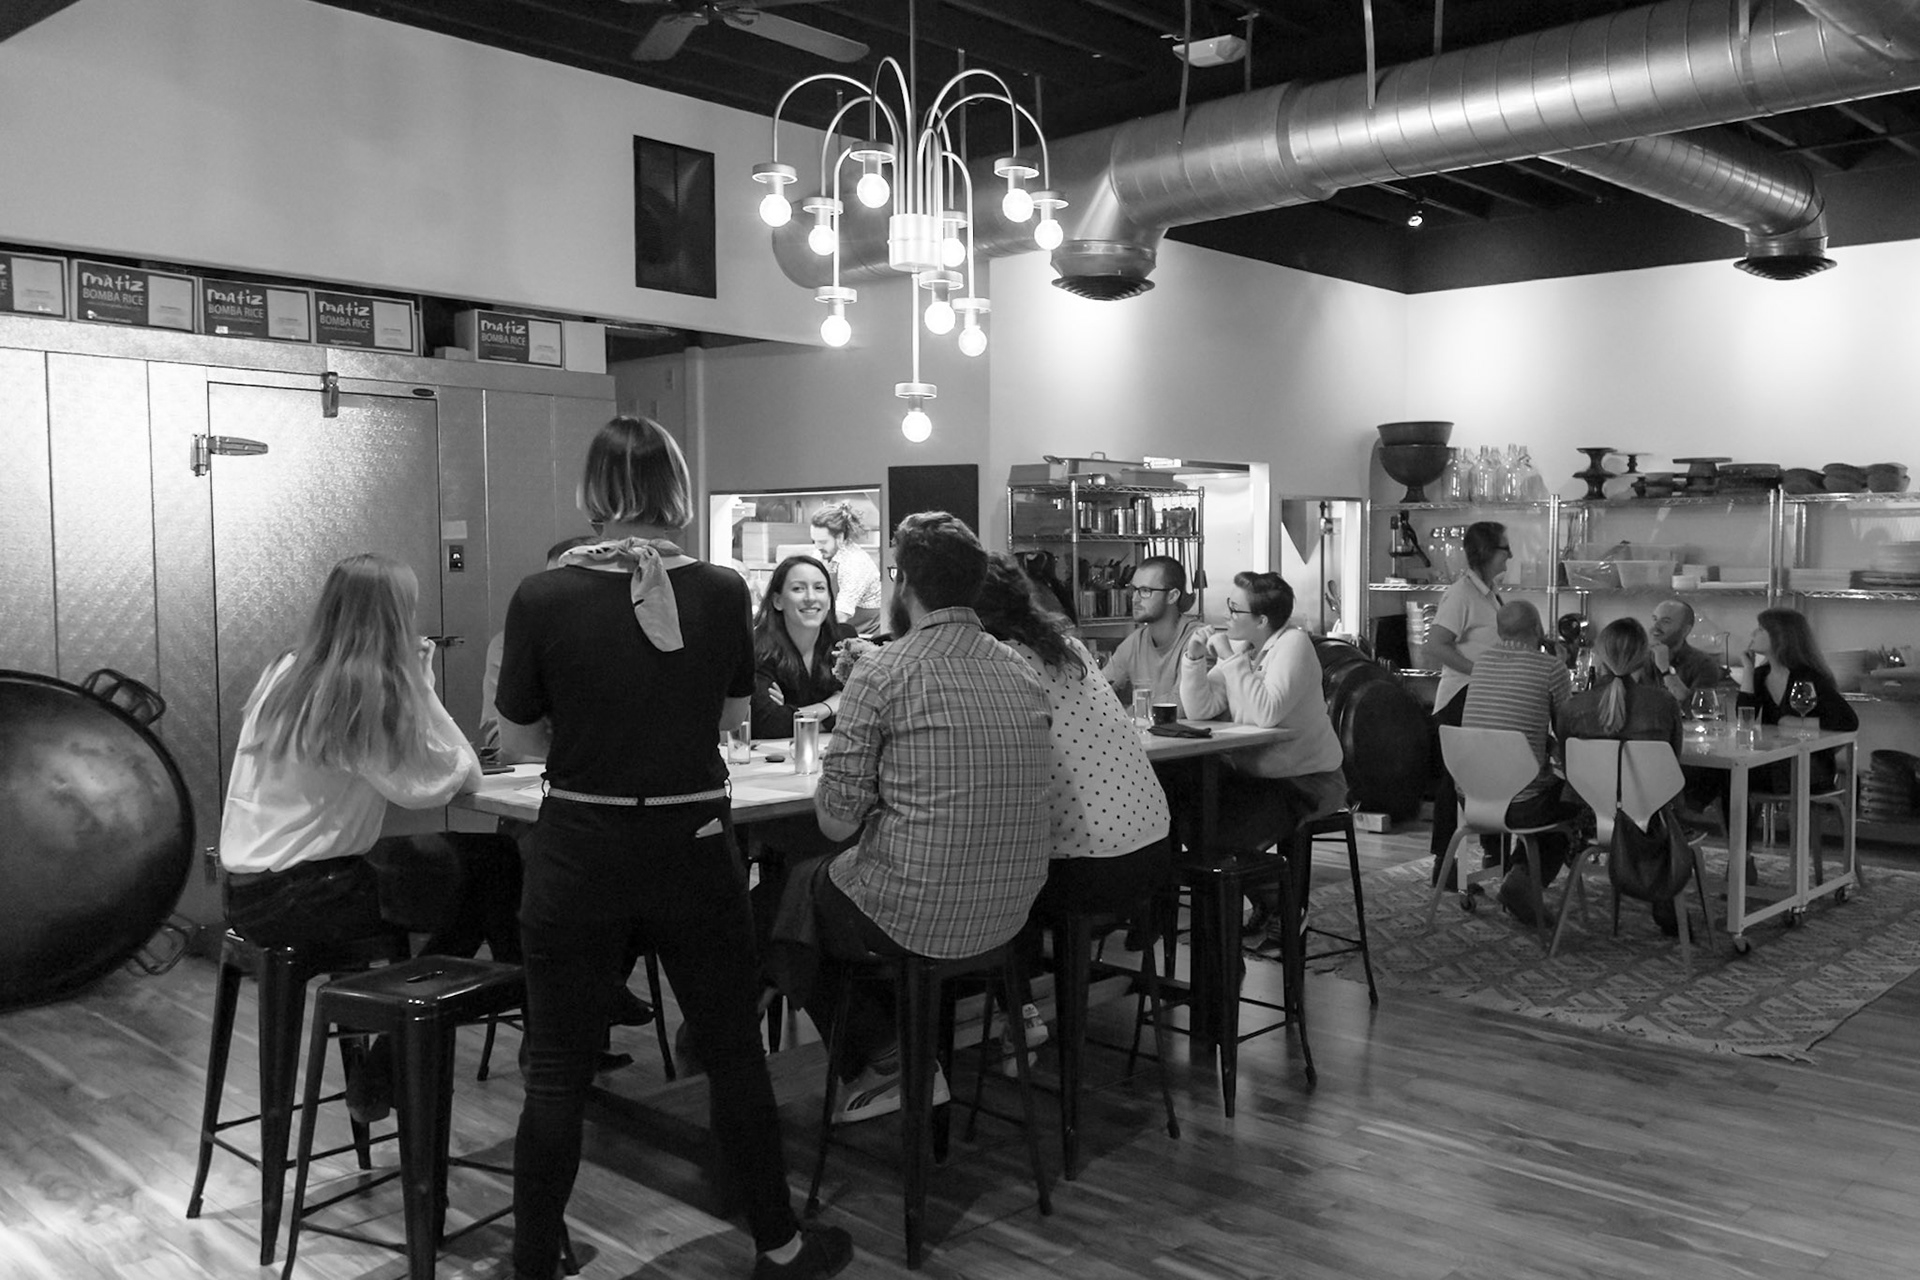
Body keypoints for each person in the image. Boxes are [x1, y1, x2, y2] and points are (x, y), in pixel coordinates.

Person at [495, 416, 850, 1280]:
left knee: (556, 1069)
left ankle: (536, 1257)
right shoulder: (724, 591)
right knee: (733, 1053)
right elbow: (734, 721)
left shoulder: (543, 596)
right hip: (691, 840)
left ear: (593, 495)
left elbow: (517, 742)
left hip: (581, 841)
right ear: (676, 492)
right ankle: (779, 1243)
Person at [218, 553, 522, 1119]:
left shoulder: (286, 670)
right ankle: (433, 1041)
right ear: (393, 618)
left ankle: (396, 1057)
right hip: (308, 894)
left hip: (250, 889)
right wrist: (423, 688)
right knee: (494, 864)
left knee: (477, 870)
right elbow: (457, 777)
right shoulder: (362, 690)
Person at [779, 512, 1052, 1126]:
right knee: (832, 898)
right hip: (1010, 910)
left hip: (922, 909)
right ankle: (903, 1049)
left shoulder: (884, 668)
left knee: (794, 891)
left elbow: (835, 824)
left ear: (903, 583)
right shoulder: (1020, 668)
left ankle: (886, 1060)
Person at [974, 554, 1172, 994]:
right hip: (1153, 854)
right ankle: (1015, 1011)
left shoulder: (998, 664)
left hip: (1090, 868)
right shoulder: (1069, 647)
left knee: (984, 872)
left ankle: (1015, 1011)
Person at [1173, 571, 1345, 940]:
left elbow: (1267, 713)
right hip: (1255, 774)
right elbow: (1201, 710)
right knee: (1184, 800)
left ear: (1262, 621)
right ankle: (1257, 906)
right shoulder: (1244, 649)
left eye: (1235, 608)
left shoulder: (1293, 645)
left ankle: (1279, 905)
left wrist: (1228, 659)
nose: (1227, 614)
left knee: (1221, 833)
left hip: (1306, 778)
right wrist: (1193, 658)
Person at [1558, 617, 1689, 935]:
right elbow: (1672, 759)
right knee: (1666, 804)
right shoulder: (1663, 704)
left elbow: (1567, 762)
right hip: (1653, 821)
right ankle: (1665, 894)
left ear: (1600, 657)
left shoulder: (1573, 708)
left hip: (1592, 819)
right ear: (1644, 657)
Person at [1458, 600, 1577, 926]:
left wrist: (1541, 740)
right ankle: (1523, 879)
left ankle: (1513, 870)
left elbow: (1504, 726)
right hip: (1521, 805)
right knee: (1574, 801)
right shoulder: (1551, 668)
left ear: (1499, 631)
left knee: (1536, 785)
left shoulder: (1481, 662)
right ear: (1538, 630)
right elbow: (1569, 730)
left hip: (1471, 797)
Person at [1425, 522, 1511, 883]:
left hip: (1481, 696)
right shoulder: (1462, 594)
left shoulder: (1489, 593)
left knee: (1483, 775)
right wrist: (1480, 673)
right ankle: (1445, 865)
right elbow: (1437, 645)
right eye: (1505, 547)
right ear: (1488, 552)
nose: (1511, 553)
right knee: (1455, 782)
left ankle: (1492, 853)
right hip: (1462, 697)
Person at [479, 534, 595, 762]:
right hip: (544, 778)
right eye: (551, 584)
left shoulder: (618, 640)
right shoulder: (509, 643)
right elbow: (500, 737)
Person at [1734, 607, 1859, 795]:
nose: (1753, 633)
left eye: (1760, 629)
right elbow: (1745, 719)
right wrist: (1748, 670)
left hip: (1808, 765)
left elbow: (1848, 721)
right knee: (1729, 776)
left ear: (1779, 637)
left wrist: (1798, 723)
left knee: (1734, 779)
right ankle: (1737, 825)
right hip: (1773, 761)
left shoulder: (1807, 677)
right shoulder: (1761, 675)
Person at [750, 554, 857, 738]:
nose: (810, 597)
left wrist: (791, 714)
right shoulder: (758, 647)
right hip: (770, 761)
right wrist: (830, 706)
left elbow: (860, 715)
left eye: (819, 588)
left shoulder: (845, 642)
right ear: (778, 601)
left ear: (830, 599)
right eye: (798, 589)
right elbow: (765, 723)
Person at [1102, 555, 1204, 712]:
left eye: (1145, 591)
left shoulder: (1197, 639)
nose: (1135, 599)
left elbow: (1183, 703)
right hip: (1151, 735)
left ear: (1172, 596)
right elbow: (1100, 689)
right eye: (1133, 590)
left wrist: (1128, 713)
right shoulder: (1135, 641)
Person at [809, 500, 883, 634]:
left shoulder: (855, 563)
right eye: (814, 541)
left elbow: (841, 615)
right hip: (840, 630)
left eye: (823, 542)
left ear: (840, 537)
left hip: (866, 635)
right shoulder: (820, 554)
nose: (817, 546)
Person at [1646, 599, 1723, 703]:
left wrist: (1666, 670)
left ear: (1685, 630)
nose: (1655, 626)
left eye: (1665, 621)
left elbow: (1701, 710)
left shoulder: (1704, 664)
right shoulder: (1637, 659)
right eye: (1655, 619)